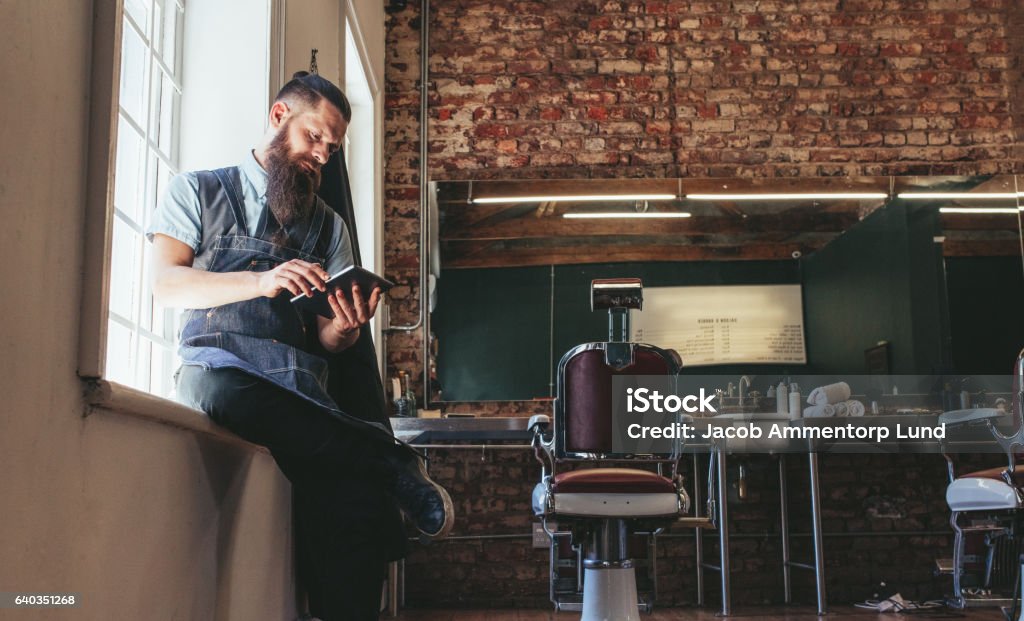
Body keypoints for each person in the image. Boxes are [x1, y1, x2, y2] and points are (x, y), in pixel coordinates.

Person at [147, 71, 453, 621]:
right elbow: (166, 286)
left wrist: (347, 327)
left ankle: (374, 491)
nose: (322, 155)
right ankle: (389, 462)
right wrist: (262, 281)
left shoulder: (329, 228)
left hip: (300, 391)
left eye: (332, 148)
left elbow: (327, 342)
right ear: (278, 117)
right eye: (315, 136)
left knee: (356, 509)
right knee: (232, 393)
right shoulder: (196, 189)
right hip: (220, 368)